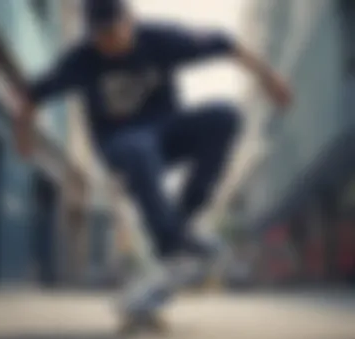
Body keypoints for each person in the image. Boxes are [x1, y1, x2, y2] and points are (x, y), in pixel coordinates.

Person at [15, 0, 292, 314]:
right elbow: (31, 94)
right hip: (120, 143)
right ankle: (169, 244)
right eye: (100, 36)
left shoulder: (160, 38)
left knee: (224, 116)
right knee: (138, 146)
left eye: (115, 33)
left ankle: (182, 223)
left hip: (169, 132)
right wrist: (24, 138)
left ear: (130, 20)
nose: (109, 43)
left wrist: (270, 79)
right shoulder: (81, 59)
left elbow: (224, 44)